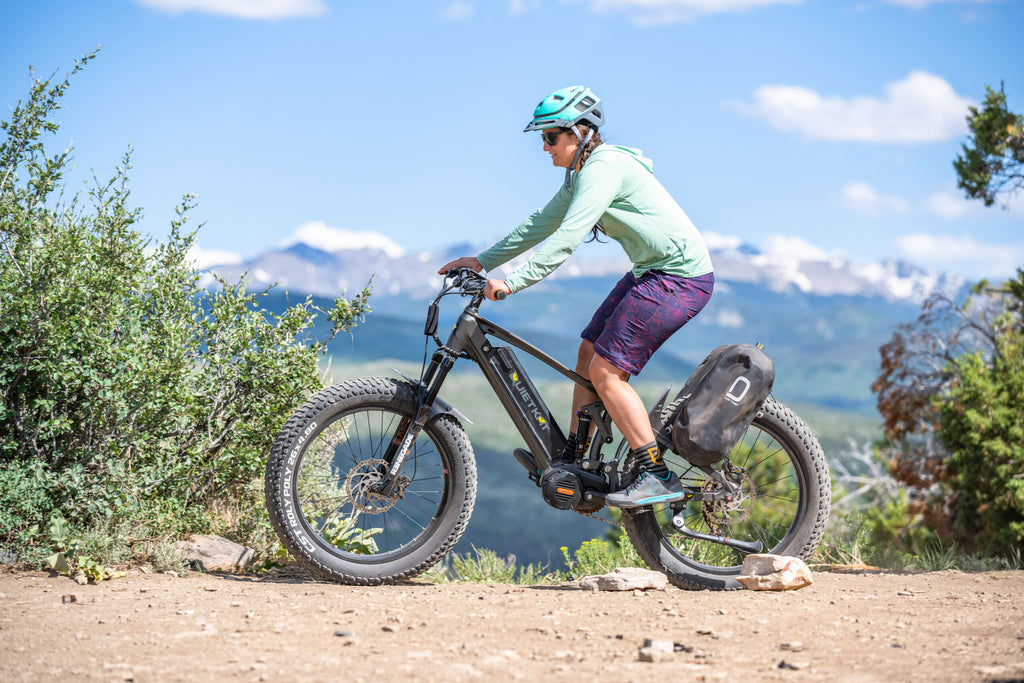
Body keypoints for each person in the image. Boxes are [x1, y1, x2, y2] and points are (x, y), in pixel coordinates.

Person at [438, 85, 714, 508]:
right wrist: (483, 261)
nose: (544, 147)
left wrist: (513, 281)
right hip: (651, 272)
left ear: (580, 132)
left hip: (679, 278)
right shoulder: (583, 174)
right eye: (542, 138)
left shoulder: (603, 169)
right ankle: (576, 460)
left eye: (550, 136)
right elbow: (540, 224)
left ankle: (658, 474)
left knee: (606, 373)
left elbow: (567, 237)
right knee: (588, 352)